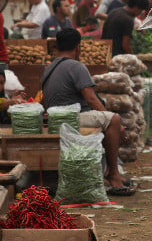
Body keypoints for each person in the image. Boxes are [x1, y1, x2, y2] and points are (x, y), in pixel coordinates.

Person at [41, 29, 134, 196]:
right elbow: (91, 99)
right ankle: (113, 174)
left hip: (56, 118)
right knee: (113, 119)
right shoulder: (77, 66)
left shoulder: (49, 68)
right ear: (78, 48)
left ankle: (109, 171)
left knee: (106, 118)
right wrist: (115, 124)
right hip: (72, 118)